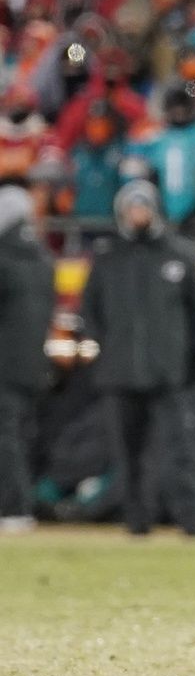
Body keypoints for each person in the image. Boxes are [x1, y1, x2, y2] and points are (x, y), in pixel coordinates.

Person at [79, 180, 195, 536]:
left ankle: (192, 519)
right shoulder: (108, 257)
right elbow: (90, 311)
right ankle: (137, 520)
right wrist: (104, 352)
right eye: (132, 207)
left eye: (144, 207)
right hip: (120, 371)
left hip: (169, 371)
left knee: (180, 449)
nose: (138, 214)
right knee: (129, 452)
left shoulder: (180, 254)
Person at [0, 186, 53, 533]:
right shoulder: (43, 259)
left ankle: (14, 507)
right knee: (20, 435)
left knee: (6, 437)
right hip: (33, 364)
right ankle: (21, 504)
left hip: (4, 363)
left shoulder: (3, 259)